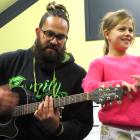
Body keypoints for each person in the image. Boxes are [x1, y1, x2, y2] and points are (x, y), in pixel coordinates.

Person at [0, 1, 93, 140]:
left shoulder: (78, 75)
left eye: (60, 37)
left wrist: (58, 128)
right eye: (49, 33)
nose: (54, 41)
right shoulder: (9, 61)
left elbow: (83, 125)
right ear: (38, 32)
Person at [82, 9, 140, 140]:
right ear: (107, 34)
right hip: (114, 130)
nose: (128, 34)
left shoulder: (138, 61)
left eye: (130, 30)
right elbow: (89, 89)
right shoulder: (99, 63)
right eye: (122, 29)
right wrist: (118, 85)